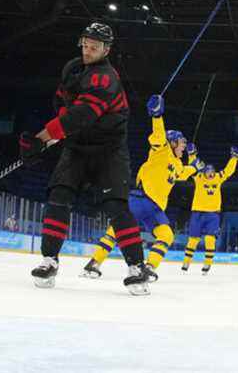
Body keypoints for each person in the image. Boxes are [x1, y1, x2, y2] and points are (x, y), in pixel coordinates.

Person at [19, 22, 152, 295]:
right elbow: (64, 109)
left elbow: (81, 115)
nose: (88, 49)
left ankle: (137, 267)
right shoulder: (72, 69)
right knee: (59, 196)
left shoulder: (106, 78)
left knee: (117, 206)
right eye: (85, 43)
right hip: (77, 148)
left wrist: (43, 138)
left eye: (95, 46)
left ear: (106, 49)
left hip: (109, 151)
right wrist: (49, 138)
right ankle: (49, 259)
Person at [81, 98, 202, 281]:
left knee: (166, 235)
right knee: (116, 231)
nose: (184, 146)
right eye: (181, 142)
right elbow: (159, 135)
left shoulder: (177, 164)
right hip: (140, 199)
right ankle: (93, 264)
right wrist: (157, 115)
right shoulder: (161, 151)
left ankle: (148, 267)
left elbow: (185, 173)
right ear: (172, 142)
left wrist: (195, 166)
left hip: (155, 208)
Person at [182, 147, 238, 275]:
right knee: (193, 240)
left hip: (213, 214)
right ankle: (186, 262)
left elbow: (228, 171)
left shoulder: (218, 177)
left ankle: (207, 265)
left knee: (210, 240)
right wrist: (191, 154)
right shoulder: (198, 177)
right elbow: (192, 166)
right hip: (197, 213)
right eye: (208, 171)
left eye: (212, 171)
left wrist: (234, 158)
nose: (210, 174)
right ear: (204, 172)